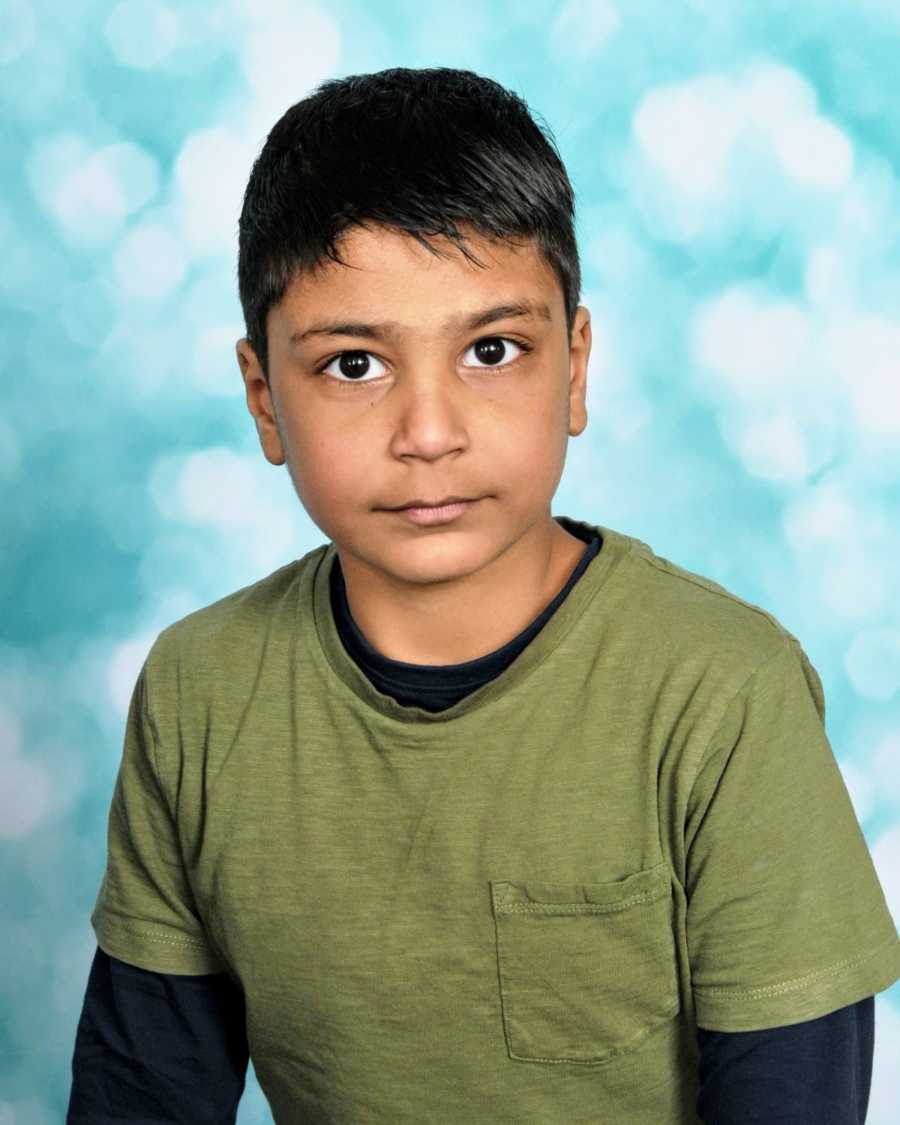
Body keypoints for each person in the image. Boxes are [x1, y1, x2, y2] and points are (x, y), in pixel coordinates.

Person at [67, 66, 900, 1124]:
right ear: (264, 399)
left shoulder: (722, 692)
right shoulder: (200, 691)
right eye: (355, 366)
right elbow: (143, 1092)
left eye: (492, 351)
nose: (428, 432)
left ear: (577, 367)